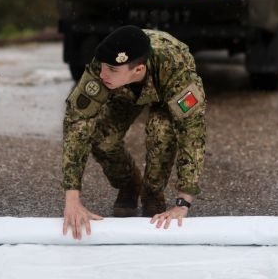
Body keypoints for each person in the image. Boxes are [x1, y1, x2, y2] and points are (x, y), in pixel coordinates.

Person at [62, 26, 206, 240]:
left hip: (163, 90)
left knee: (161, 133)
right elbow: (77, 121)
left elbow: (192, 133)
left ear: (138, 70)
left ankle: (152, 194)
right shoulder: (104, 64)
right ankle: (130, 184)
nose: (103, 74)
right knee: (102, 138)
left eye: (111, 69)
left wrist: (182, 203)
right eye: (103, 67)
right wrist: (72, 199)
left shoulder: (176, 70)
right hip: (124, 90)